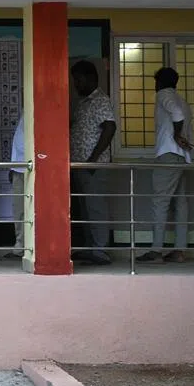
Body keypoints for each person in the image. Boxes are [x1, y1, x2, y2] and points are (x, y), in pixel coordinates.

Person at [140, 67, 194, 264]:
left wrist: (176, 135)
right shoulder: (183, 100)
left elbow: (176, 114)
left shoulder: (164, 95)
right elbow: (181, 113)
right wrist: (180, 137)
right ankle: (179, 250)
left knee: (160, 201)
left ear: (160, 82)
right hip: (183, 157)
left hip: (168, 154)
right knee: (180, 203)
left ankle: (156, 250)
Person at [69, 61, 116, 266]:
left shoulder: (100, 101)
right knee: (86, 208)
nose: (75, 85)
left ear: (90, 78)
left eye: (78, 80)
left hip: (93, 167)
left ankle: (100, 249)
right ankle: (91, 248)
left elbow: (109, 128)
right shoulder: (83, 103)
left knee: (96, 208)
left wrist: (93, 160)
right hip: (81, 165)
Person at [9, 111, 26, 259]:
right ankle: (20, 247)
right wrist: (12, 166)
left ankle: (29, 248)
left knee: (32, 209)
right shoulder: (26, 110)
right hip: (18, 167)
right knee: (19, 210)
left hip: (31, 168)